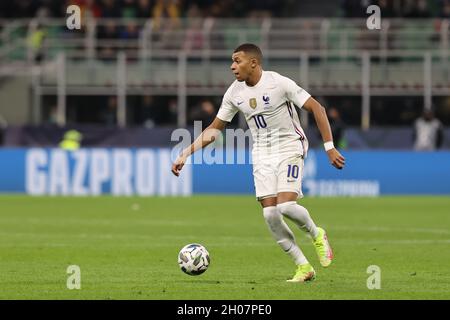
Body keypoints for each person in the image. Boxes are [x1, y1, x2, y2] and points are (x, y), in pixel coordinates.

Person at [171, 44, 345, 282]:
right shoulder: (234, 93)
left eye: (237, 60)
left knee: (285, 206)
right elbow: (214, 129)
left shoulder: (278, 83)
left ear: (253, 63)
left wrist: (329, 146)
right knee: (271, 215)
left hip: (289, 147)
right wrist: (186, 153)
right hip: (262, 153)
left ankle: (317, 234)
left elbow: (317, 107)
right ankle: (303, 267)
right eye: (231, 61)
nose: (232, 66)